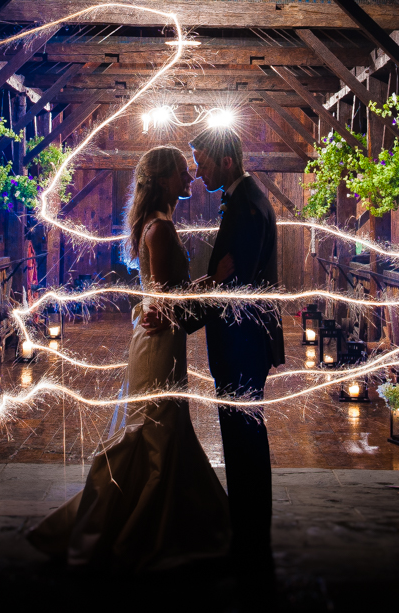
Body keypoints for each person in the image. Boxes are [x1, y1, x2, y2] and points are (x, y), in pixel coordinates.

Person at [26, 146, 232, 571]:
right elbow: (160, 302)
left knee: (166, 429)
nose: (189, 176)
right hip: (157, 343)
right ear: (161, 180)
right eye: (180, 171)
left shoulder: (163, 224)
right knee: (153, 432)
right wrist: (217, 280)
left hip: (165, 341)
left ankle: (162, 523)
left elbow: (161, 298)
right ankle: (124, 532)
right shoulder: (159, 230)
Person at [157, 125, 284, 573]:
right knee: (242, 435)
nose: (198, 170)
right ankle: (248, 529)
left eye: (203, 161)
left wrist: (184, 319)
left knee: (244, 437)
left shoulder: (246, 206)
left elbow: (239, 288)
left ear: (226, 161)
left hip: (242, 343)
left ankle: (250, 536)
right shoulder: (243, 199)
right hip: (240, 342)